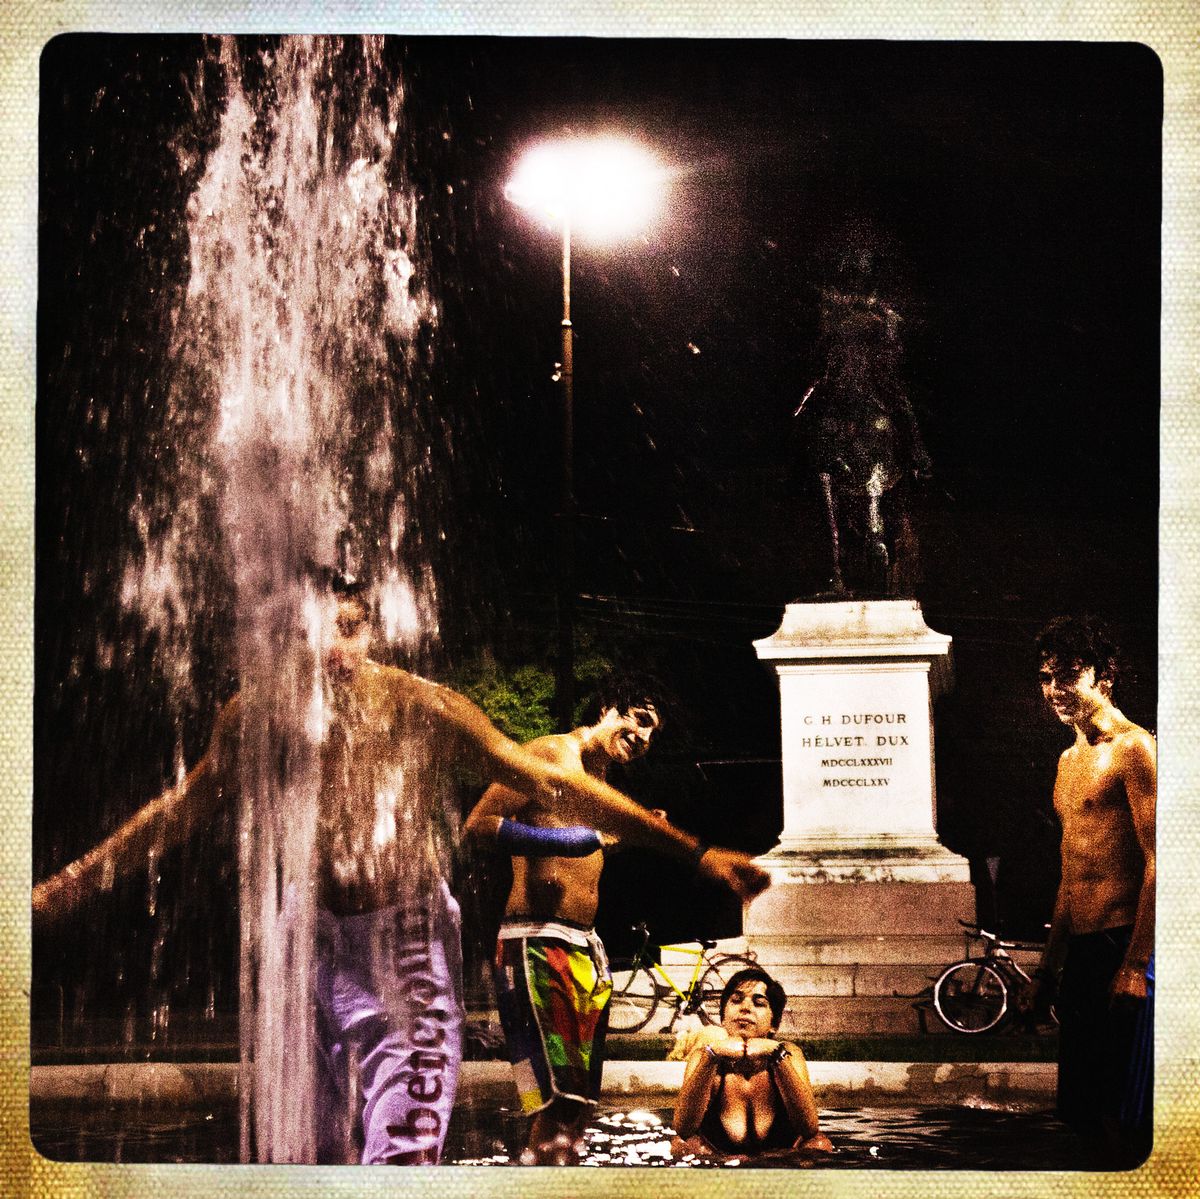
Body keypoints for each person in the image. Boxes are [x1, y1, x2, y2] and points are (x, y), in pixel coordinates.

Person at [32, 580, 772, 1166]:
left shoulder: (421, 706)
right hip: (310, 938)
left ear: (371, 631)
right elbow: (178, 811)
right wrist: (62, 890)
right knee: (311, 1156)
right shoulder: (258, 711)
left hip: (405, 941)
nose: (333, 648)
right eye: (314, 628)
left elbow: (554, 784)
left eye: (349, 626)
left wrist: (695, 851)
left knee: (405, 1153)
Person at [462, 677, 672, 1164]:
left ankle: (560, 1184)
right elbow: (476, 826)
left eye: (652, 733)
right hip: (536, 941)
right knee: (559, 1098)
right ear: (606, 707)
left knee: (580, 1107)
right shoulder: (551, 753)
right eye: (638, 720)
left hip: (584, 947)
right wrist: (573, 841)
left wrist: (621, 836)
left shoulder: (601, 785)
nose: (643, 738)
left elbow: (586, 858)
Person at [1017, 615, 1155, 1166]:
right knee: (1080, 1112)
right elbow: (1070, 876)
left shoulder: (1135, 749)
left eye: (1068, 675)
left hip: (1122, 944)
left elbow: (1160, 861)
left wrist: (1134, 964)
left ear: (1105, 676)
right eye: (1047, 676)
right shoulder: (1067, 763)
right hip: (1081, 954)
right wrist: (1048, 970)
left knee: (1122, 1114)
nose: (1054, 689)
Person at [670, 966, 831, 1162]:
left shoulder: (789, 1053)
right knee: (682, 1145)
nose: (745, 1008)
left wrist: (777, 1056)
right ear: (723, 1017)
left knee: (819, 1144)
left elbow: (809, 1128)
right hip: (721, 1160)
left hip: (781, 1160)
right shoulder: (704, 1056)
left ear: (774, 1023)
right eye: (736, 1000)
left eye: (759, 1003)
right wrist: (711, 1056)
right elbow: (683, 1128)